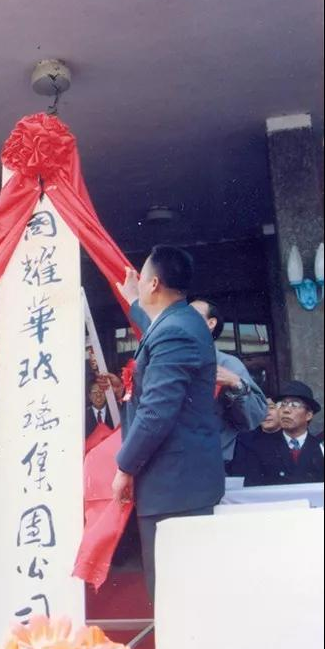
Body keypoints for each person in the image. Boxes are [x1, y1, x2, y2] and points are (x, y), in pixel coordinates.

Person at [113, 247, 225, 602]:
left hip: (174, 487)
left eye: (142, 278)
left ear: (154, 284)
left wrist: (124, 467)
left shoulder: (174, 332)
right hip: (182, 483)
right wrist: (133, 301)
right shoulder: (182, 322)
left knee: (174, 596)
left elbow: (156, 412)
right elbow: (157, 327)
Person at [188, 299, 268, 467]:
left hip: (213, 462)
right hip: (172, 462)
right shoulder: (169, 361)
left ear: (211, 323)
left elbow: (254, 418)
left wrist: (236, 383)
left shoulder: (228, 364)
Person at [233, 381, 323, 485]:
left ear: (308, 415)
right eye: (282, 404)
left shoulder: (320, 447)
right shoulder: (260, 447)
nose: (286, 410)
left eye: (294, 405)